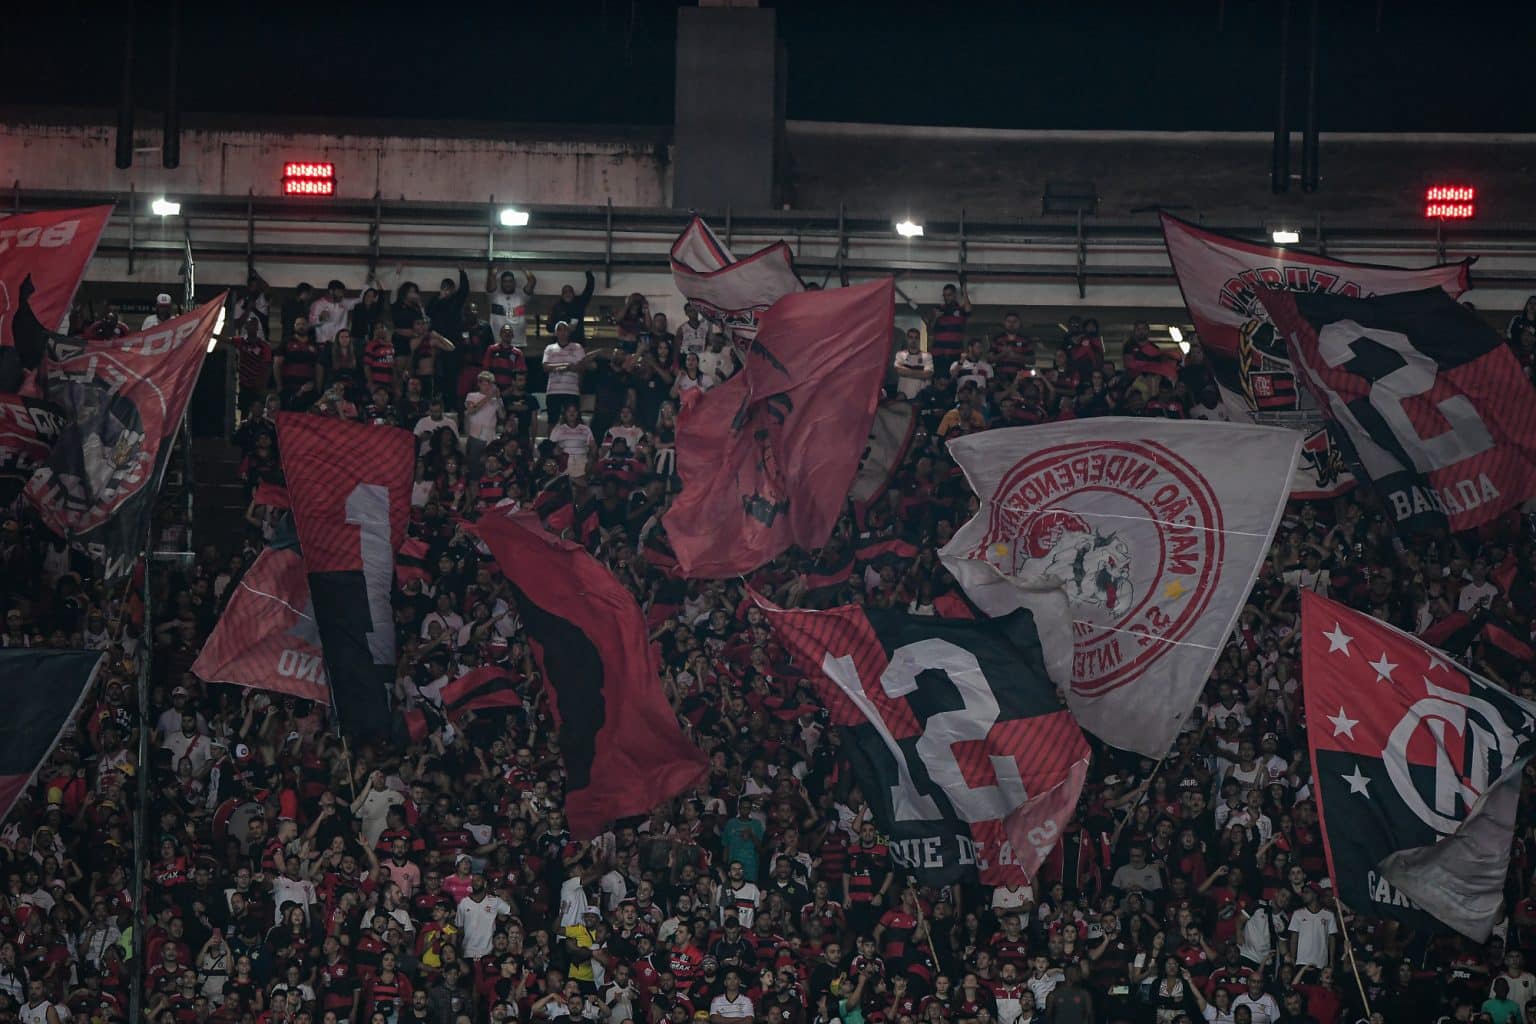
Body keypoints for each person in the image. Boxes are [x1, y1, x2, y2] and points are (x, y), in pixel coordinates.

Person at [542, 321, 587, 426]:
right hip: (553, 391)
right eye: (559, 330)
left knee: (573, 422)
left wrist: (573, 367)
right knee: (552, 422)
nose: (562, 332)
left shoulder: (577, 347)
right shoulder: (549, 348)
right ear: (555, 333)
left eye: (565, 329)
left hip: (572, 391)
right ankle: (552, 442)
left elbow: (583, 366)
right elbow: (545, 367)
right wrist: (565, 365)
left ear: (569, 332)